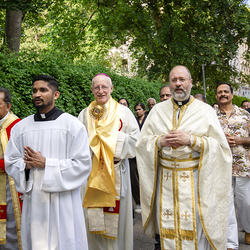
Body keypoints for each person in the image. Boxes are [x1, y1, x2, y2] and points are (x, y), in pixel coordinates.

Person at [136, 65, 233, 250]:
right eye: (174, 80)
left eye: (182, 80)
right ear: (169, 84)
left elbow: (221, 149)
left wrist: (192, 140)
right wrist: (160, 141)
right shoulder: (157, 111)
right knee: (167, 230)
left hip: (196, 182)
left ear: (190, 83)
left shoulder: (205, 111)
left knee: (195, 229)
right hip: (165, 182)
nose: (178, 84)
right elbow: (141, 145)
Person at [4, 75, 92, 250]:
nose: (37, 94)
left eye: (43, 90)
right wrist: (26, 165)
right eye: (34, 90)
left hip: (64, 202)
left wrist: (47, 164)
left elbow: (83, 164)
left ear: (56, 94)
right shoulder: (21, 127)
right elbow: (11, 162)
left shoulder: (72, 125)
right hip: (34, 201)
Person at [78, 73, 139, 250]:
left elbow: (136, 141)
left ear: (111, 89)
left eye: (104, 87)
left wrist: (111, 141)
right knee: (91, 221)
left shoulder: (124, 113)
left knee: (118, 223)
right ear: (92, 90)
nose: (100, 90)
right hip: (92, 175)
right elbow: (78, 144)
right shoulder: (84, 114)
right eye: (96, 87)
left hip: (117, 172)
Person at [216, 82, 250, 247]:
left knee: (246, 202)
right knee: (227, 204)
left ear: (231, 94)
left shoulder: (245, 114)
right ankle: (231, 243)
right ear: (216, 96)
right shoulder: (211, 117)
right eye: (219, 92)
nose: (223, 94)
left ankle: (248, 228)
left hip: (243, 165)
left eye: (225, 91)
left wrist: (240, 140)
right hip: (221, 167)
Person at [0, 87, 21, 250]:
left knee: (9, 224)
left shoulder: (17, 126)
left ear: (8, 106)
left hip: (9, 184)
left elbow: (20, 159)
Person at [129, 103, 147, 214]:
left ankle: (146, 201)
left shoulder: (148, 119)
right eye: (136, 110)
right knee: (134, 177)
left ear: (144, 110)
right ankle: (138, 201)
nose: (137, 111)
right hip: (134, 153)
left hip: (145, 152)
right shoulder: (133, 121)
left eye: (139, 109)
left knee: (145, 177)